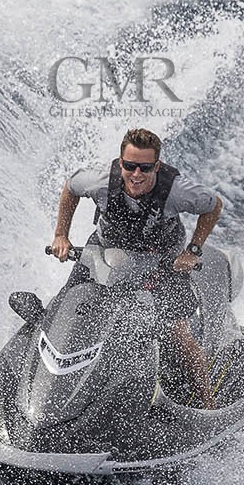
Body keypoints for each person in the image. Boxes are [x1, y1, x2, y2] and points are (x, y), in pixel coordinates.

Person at [50, 128, 223, 409]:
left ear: (156, 166)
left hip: (163, 262)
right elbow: (71, 188)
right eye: (130, 166)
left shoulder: (177, 191)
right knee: (66, 308)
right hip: (106, 253)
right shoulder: (100, 182)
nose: (136, 175)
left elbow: (213, 206)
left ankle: (207, 403)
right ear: (121, 164)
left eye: (145, 167)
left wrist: (192, 251)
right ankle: (52, 388)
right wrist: (61, 235)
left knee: (175, 332)